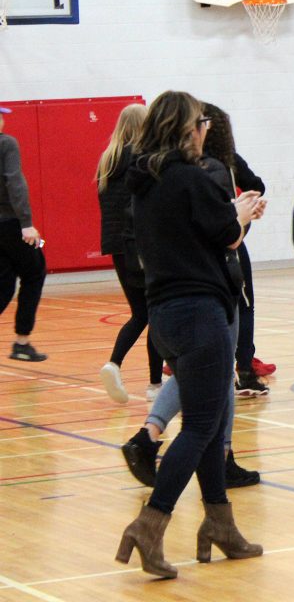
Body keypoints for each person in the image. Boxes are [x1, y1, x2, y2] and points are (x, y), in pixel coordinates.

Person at [115, 90, 263, 578]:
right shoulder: (188, 178)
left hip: (167, 314)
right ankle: (149, 525)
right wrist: (240, 214)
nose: (205, 130)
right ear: (186, 128)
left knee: (213, 420)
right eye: (201, 122)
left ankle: (221, 525)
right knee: (203, 428)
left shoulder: (147, 180)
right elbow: (226, 235)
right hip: (200, 311)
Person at [97, 103, 163, 402]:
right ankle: (154, 383)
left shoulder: (107, 160)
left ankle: (114, 363)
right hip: (140, 244)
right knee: (154, 312)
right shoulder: (142, 160)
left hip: (116, 246)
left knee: (140, 312)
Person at [0, 106, 47, 362]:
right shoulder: (6, 143)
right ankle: (22, 341)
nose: (3, 119)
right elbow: (14, 181)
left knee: (4, 284)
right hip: (10, 224)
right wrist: (26, 223)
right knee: (35, 270)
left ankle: (22, 342)